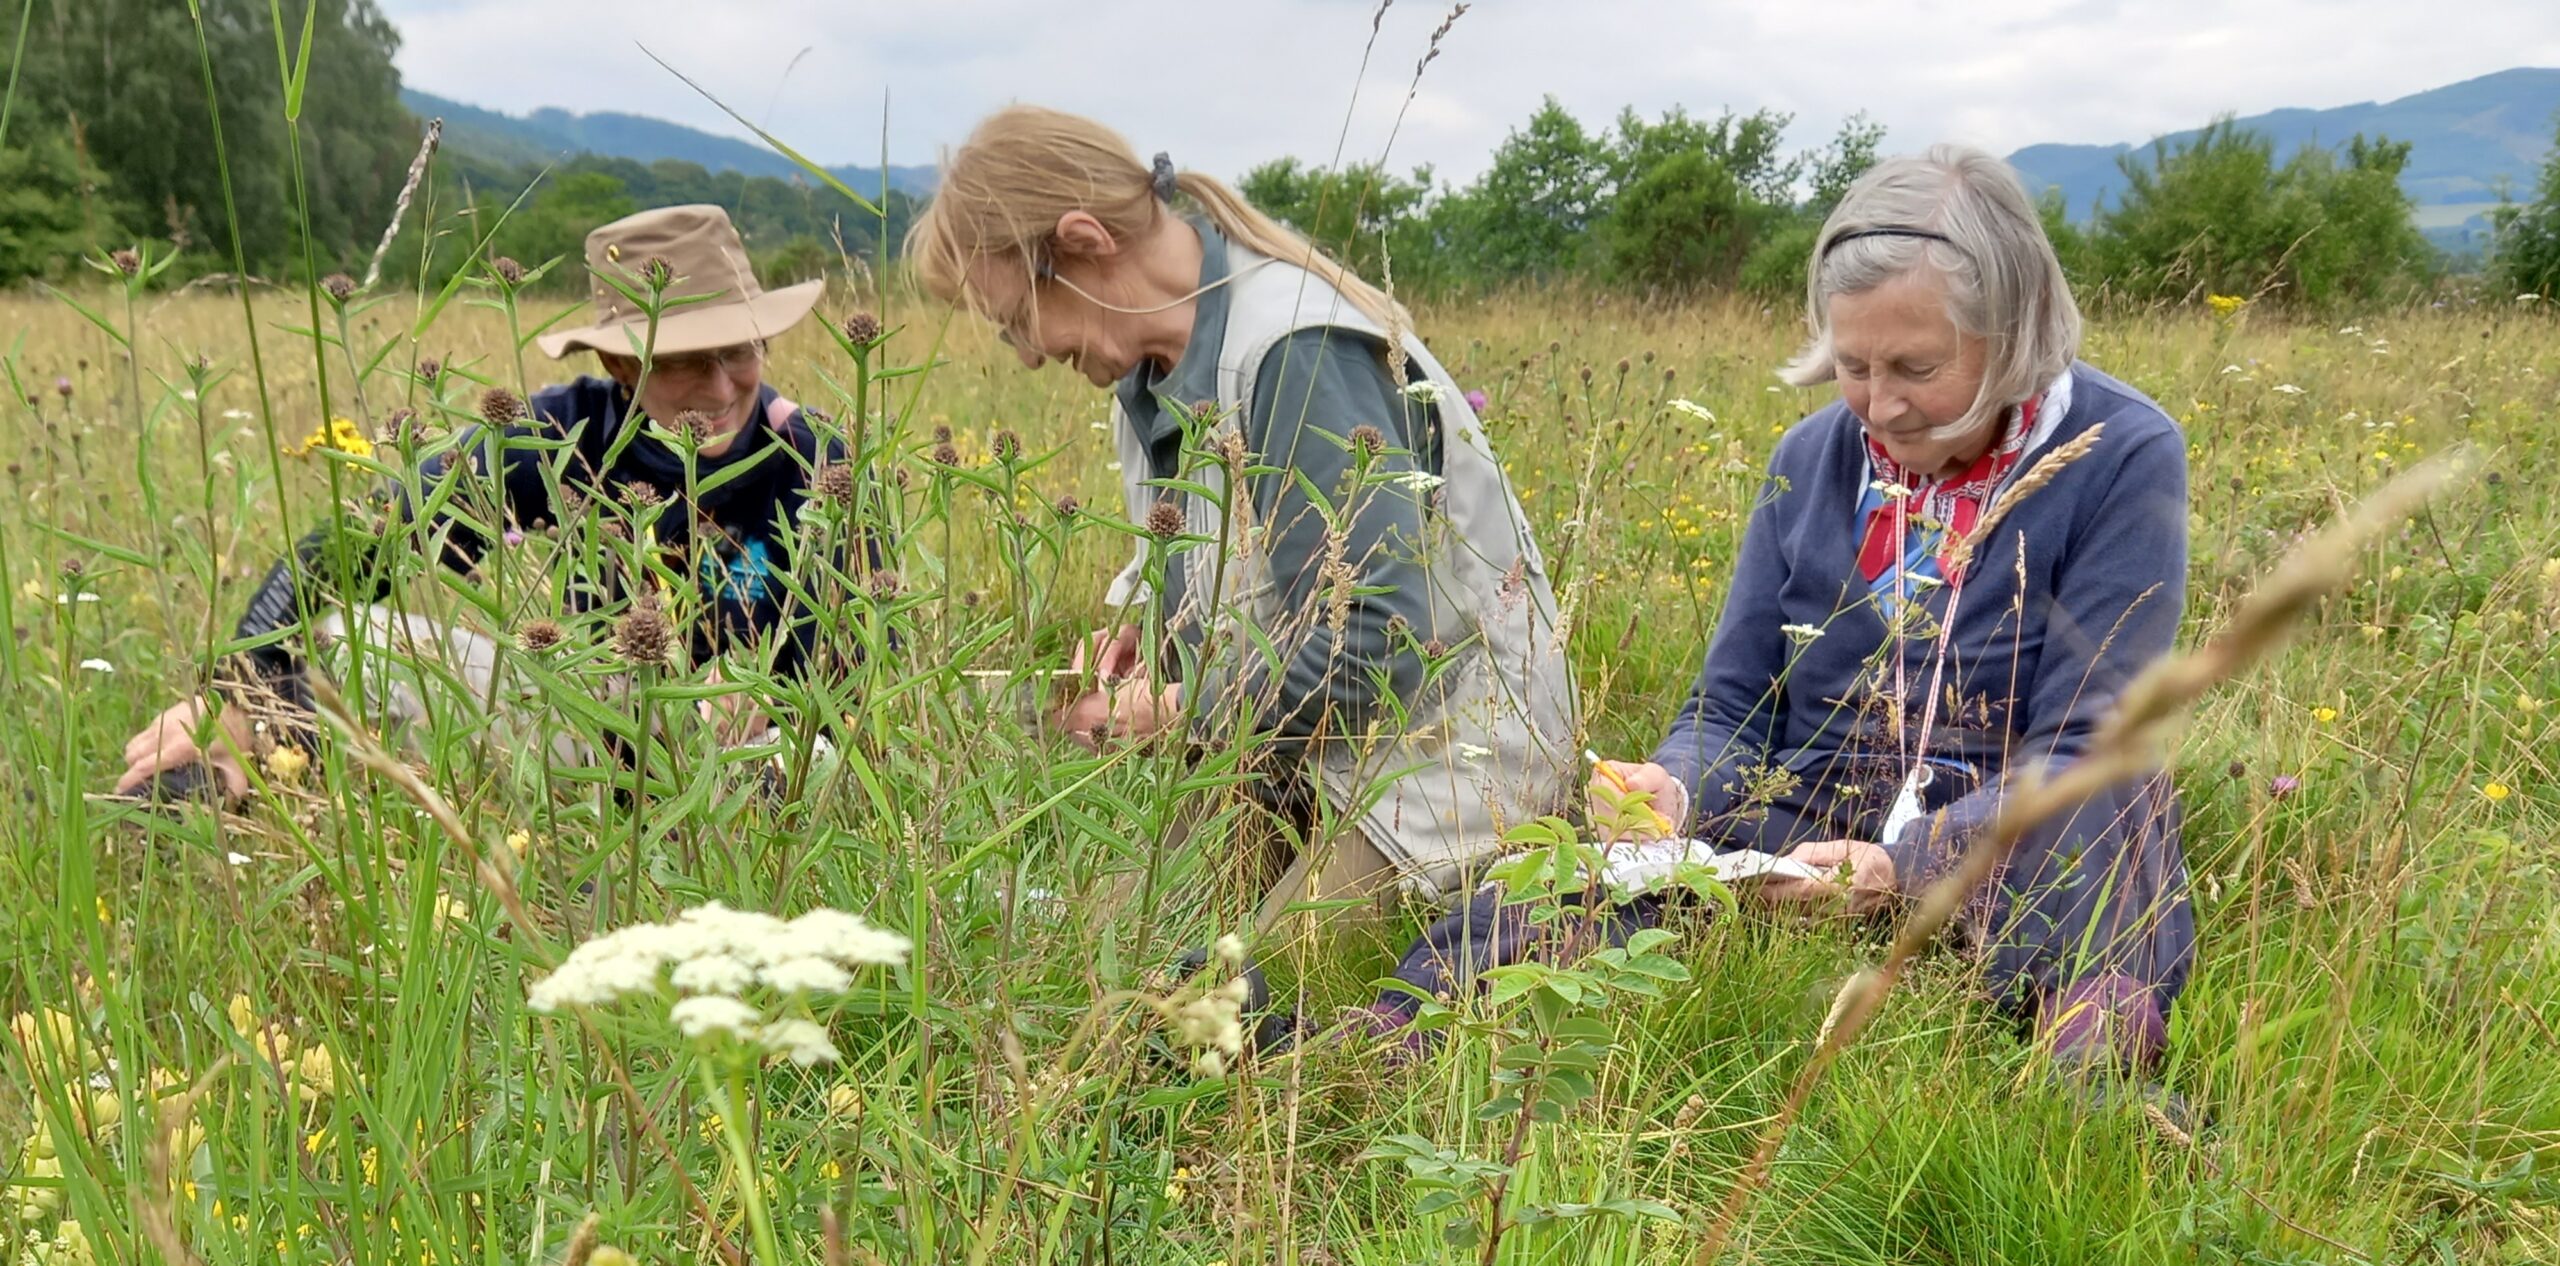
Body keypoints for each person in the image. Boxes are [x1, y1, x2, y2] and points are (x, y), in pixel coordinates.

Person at [1363, 145, 2197, 1077]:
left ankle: (2090, 1092)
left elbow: (2088, 743)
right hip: (1801, 826)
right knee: (1558, 881)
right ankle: (1388, 1047)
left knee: (2113, 809)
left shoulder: (2120, 453)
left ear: (2012, 336)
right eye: (1853, 366)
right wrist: (1675, 791)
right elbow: (1731, 710)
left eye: (1916, 368)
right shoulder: (1812, 454)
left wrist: (1906, 865)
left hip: (2009, 824)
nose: (1880, 406)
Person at [905, 105, 1579, 939]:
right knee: (1097, 959)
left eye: (1016, 321)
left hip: (1442, 765)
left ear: (1081, 243)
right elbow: (1231, 581)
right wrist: (1142, 635)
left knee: (1233, 1004)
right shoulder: (1150, 373)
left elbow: (1374, 636)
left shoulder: (1293, 349)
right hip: (1286, 754)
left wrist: (1180, 712)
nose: (1030, 354)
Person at [115, 204, 850, 799]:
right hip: (585, 722)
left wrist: (776, 697)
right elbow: (358, 544)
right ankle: (231, 775)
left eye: (742, 350)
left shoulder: (814, 458)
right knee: (347, 642)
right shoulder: (562, 433)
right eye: (688, 361)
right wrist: (229, 696)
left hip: (750, 746)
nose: (723, 388)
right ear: (621, 362)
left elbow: (857, 669)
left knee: (814, 764)